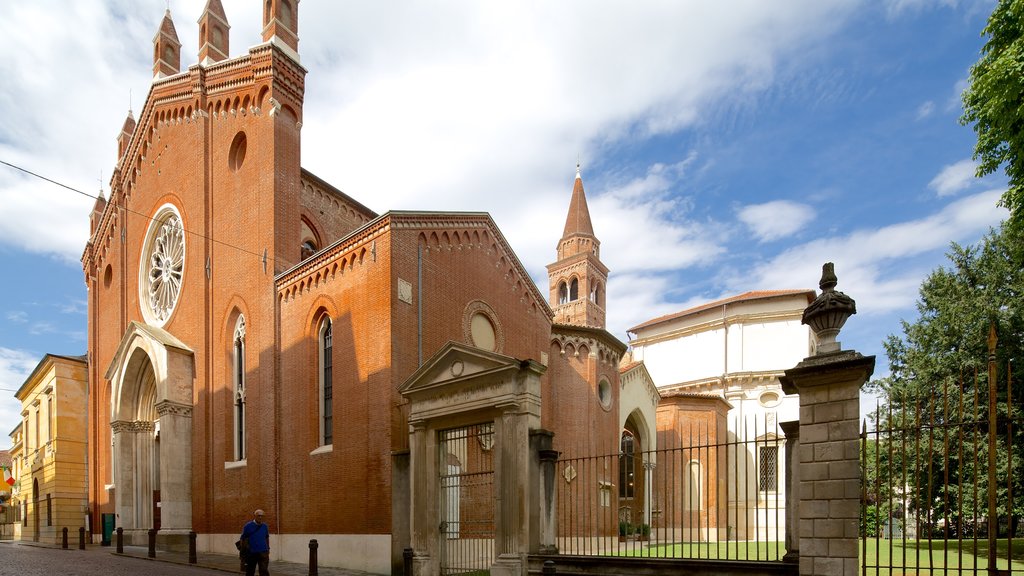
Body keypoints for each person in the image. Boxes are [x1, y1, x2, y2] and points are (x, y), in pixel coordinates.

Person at [239, 508, 271, 576]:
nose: (260, 517)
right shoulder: (248, 526)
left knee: (264, 571)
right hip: (252, 552)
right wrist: (244, 552)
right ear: (255, 516)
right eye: (258, 515)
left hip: (263, 552)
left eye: (262, 516)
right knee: (250, 571)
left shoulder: (265, 526)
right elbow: (242, 538)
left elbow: (267, 537)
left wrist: (268, 548)